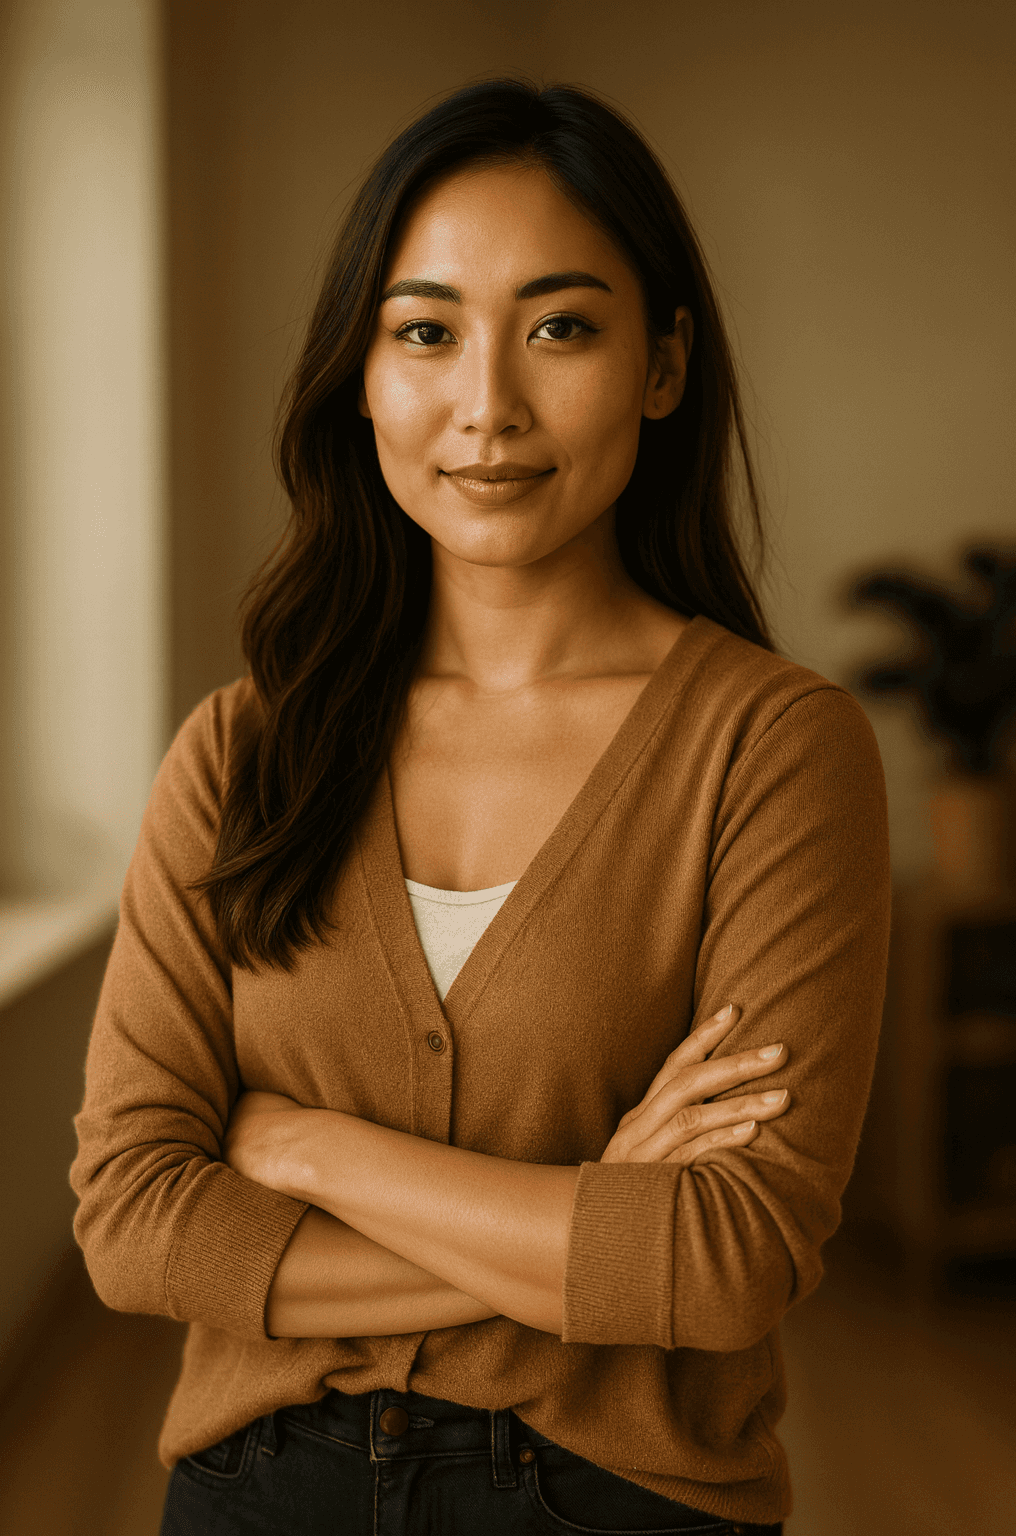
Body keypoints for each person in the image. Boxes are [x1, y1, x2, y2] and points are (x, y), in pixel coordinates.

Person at [70, 77, 891, 1536]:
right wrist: (591, 1213)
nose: (489, 406)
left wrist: (304, 1150)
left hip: (621, 1502)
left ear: (664, 362)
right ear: (362, 373)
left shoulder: (774, 751)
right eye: (427, 330)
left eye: (562, 326)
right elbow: (135, 1228)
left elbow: (722, 1262)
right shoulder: (241, 753)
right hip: (255, 1497)